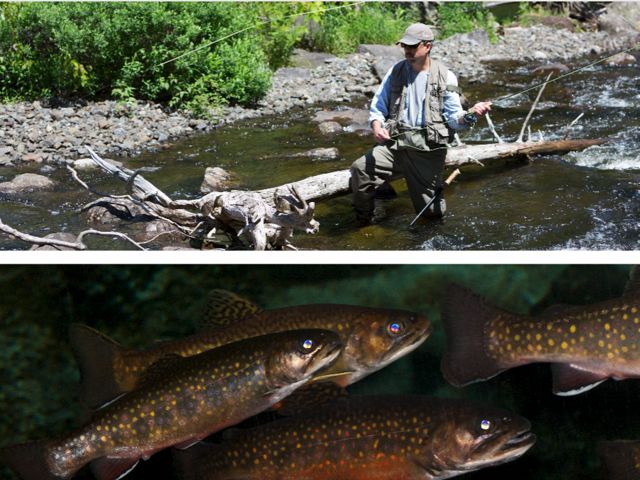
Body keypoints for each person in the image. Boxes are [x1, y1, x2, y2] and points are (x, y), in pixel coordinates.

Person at [350, 22, 492, 226]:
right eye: (405, 46)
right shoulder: (395, 71)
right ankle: (364, 222)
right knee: (360, 169)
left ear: (428, 46)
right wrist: (377, 128)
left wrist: (471, 115)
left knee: (431, 214)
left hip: (427, 152)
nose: (407, 50)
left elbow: (454, 120)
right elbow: (378, 107)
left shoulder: (446, 76)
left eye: (412, 46)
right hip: (395, 146)